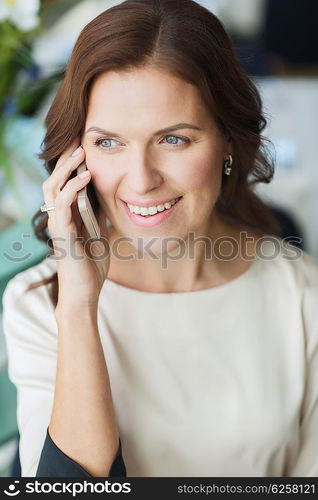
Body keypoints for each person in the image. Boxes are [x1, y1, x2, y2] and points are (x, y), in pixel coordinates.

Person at [2, 0, 318, 478]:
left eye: (174, 139)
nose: (142, 179)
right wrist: (79, 307)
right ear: (76, 157)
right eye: (109, 142)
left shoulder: (303, 296)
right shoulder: (38, 304)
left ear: (228, 141)